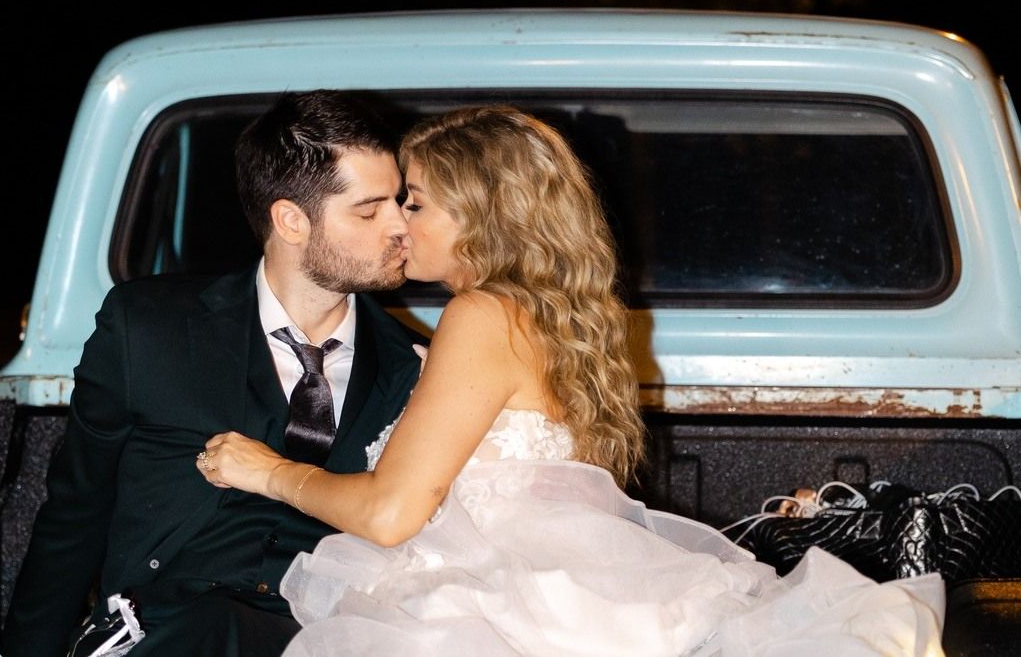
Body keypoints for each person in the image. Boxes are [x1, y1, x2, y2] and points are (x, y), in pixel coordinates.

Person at [200, 106, 947, 656]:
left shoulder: (482, 315)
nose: (397, 223)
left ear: (478, 213)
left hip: (495, 612)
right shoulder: (549, 317)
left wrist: (268, 472)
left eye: (415, 202)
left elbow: (392, 513)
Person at [0, 90, 428, 657]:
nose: (402, 225)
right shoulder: (148, 327)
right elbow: (76, 511)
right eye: (370, 209)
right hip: (166, 628)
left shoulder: (413, 366)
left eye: (400, 201)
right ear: (291, 221)